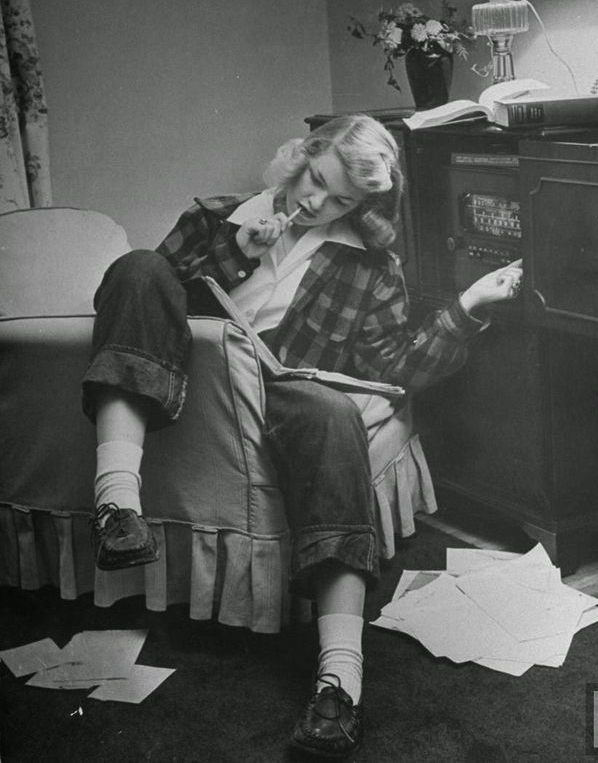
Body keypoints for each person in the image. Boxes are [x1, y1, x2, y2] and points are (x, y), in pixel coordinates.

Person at [81, 113, 523, 759]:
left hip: (278, 392)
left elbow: (392, 367)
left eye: (341, 198)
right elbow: (137, 305)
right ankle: (116, 505)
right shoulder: (216, 216)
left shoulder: (369, 267)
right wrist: (238, 254)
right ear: (304, 154)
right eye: (316, 179)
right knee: (138, 265)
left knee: (331, 411)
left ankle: (339, 684)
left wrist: (467, 307)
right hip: (190, 386)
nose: (315, 203)